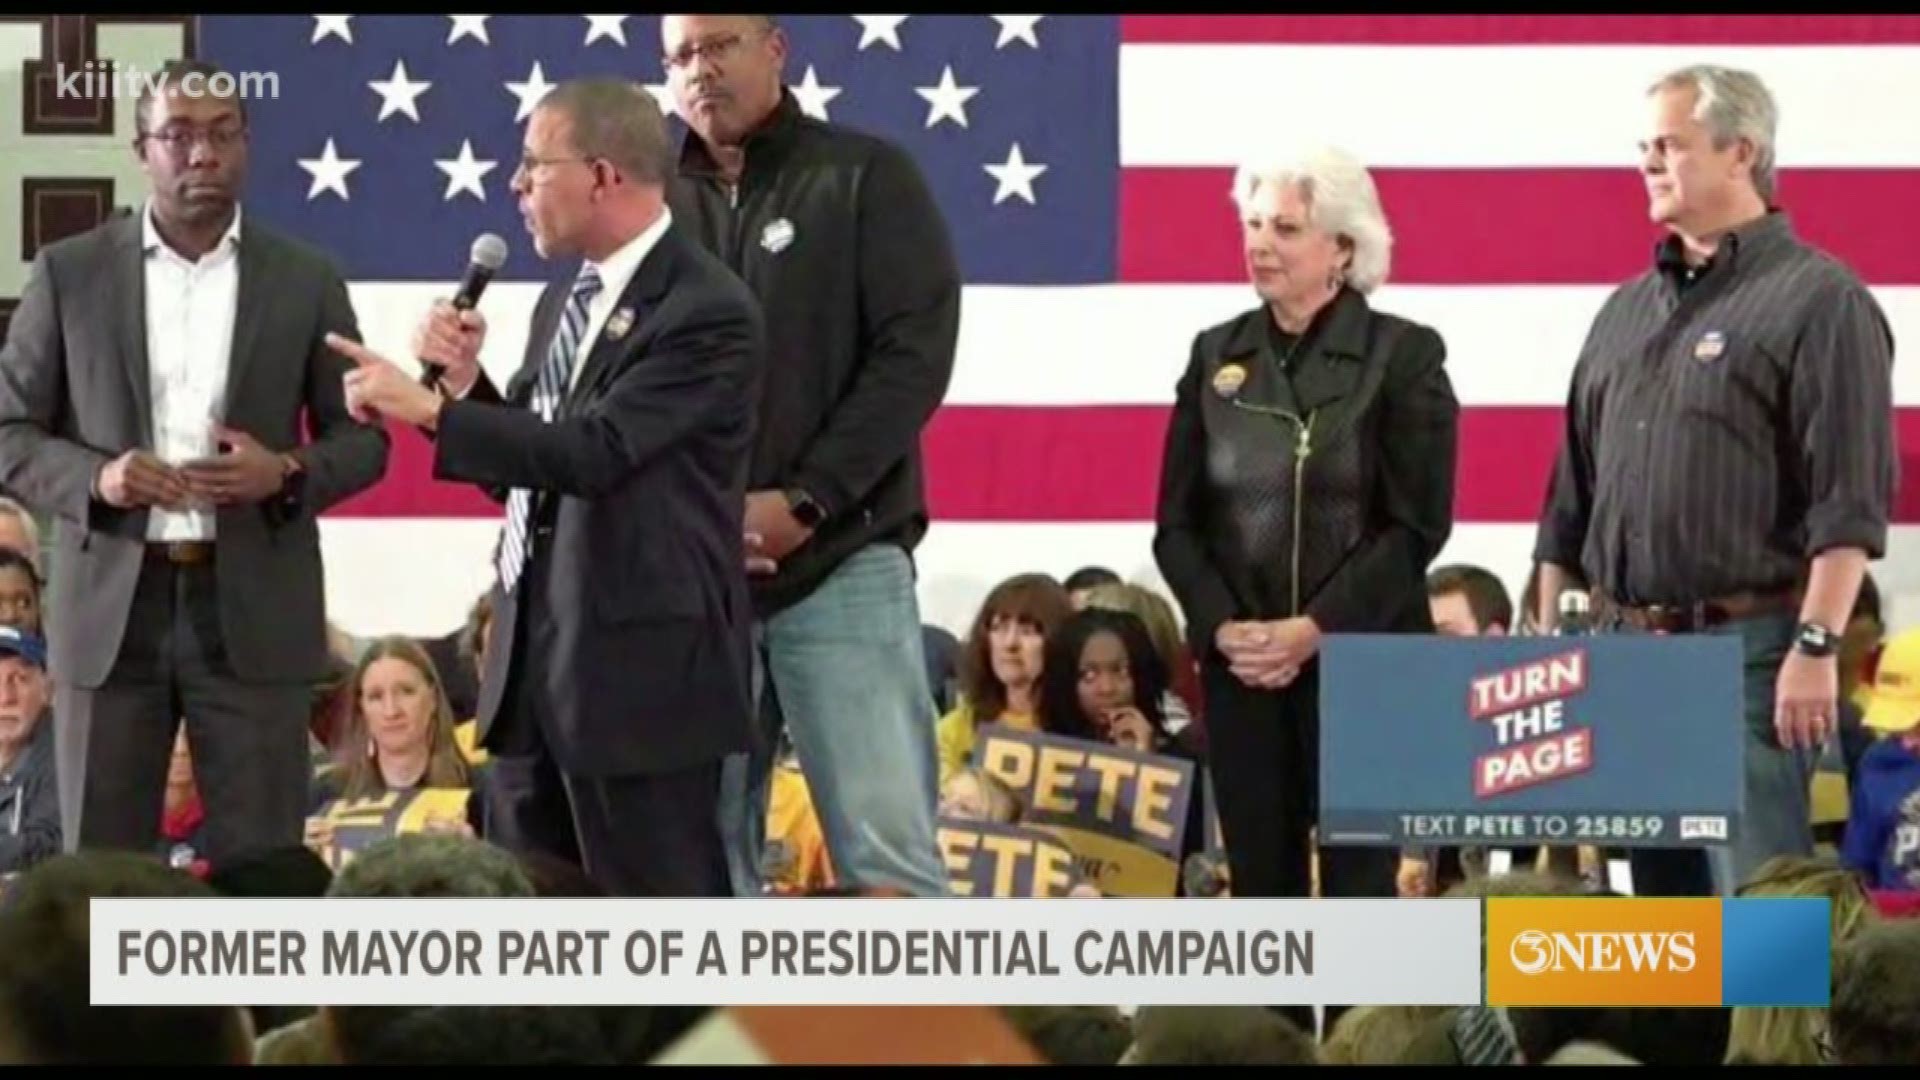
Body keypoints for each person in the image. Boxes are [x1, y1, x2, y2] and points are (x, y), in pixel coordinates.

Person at [328, 78, 762, 898]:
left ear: (602, 176)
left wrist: (423, 406)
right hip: (532, 679)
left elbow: (598, 454)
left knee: (657, 959)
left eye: (533, 163)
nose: (515, 184)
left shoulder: (707, 309)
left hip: (639, 688)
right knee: (536, 949)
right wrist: (462, 388)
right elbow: (532, 471)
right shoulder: (569, 295)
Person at [0, 59, 389, 866]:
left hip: (251, 611)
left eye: (220, 135)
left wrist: (284, 473)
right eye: (178, 135)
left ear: (246, 145)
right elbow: (10, 429)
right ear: (141, 149)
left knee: (264, 872)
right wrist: (97, 480)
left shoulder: (304, 278)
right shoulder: (70, 274)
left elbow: (368, 444)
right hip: (111, 611)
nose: (200, 154)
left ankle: (267, 1001)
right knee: (100, 879)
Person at [1534, 64, 1895, 897]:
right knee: (1660, 922)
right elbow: (1570, 500)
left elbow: (1850, 502)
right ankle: (1677, 1039)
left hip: (1747, 660)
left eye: (1670, 145)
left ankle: (1772, 1037)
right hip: (1623, 659)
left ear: (1742, 151)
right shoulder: (1624, 309)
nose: (1648, 164)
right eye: (1644, 148)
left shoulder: (1821, 300)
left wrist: (1815, 646)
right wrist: (1554, 642)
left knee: (1757, 910)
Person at [661, 14, 961, 898]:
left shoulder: (866, 175)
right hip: (694, 581)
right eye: (680, 56)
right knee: (705, 873)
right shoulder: (653, 207)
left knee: (888, 862)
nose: (700, 71)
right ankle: (728, 1043)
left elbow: (913, 356)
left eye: (720, 46)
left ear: (775, 49)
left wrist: (806, 502)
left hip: (843, 564)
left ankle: (913, 1042)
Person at [1153, 143, 1458, 912]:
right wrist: (1225, 629)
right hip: (1243, 672)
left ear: (1343, 248)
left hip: (1363, 665)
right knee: (1261, 891)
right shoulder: (1214, 355)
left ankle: (1360, 1039)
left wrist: (1311, 629)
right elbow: (1176, 526)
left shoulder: (1404, 356)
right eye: (1253, 224)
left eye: (1285, 228)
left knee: (1361, 892)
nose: (1259, 243)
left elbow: (1414, 529)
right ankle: (1275, 1038)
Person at [0, 627, 58, 876]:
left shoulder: (63, 755)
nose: (5, 698)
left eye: (19, 679)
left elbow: (50, 844)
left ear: (47, 689)